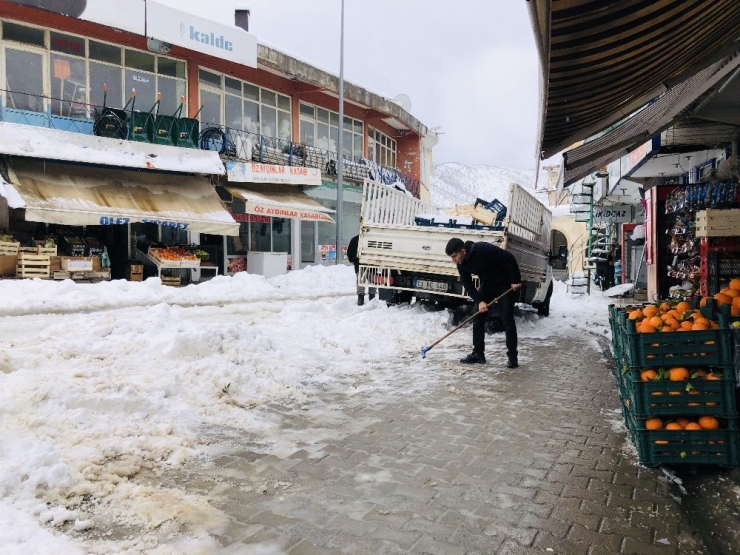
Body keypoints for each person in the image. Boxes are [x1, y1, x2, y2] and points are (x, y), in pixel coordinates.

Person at [445, 238, 522, 368]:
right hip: (488, 284)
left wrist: (515, 279)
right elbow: (467, 283)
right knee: (477, 314)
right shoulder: (461, 264)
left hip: (505, 283)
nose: (454, 260)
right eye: (451, 258)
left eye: (454, 256)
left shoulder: (483, 249)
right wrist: (479, 301)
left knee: (507, 319)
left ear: (463, 251)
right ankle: (478, 354)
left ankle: (512, 357)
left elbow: (509, 258)